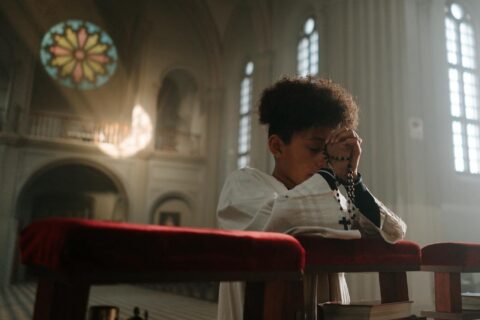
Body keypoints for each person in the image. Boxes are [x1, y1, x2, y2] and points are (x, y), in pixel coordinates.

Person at [216, 76, 407, 320]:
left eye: (330, 152)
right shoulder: (244, 184)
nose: (324, 161)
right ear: (276, 146)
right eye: (315, 148)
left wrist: (353, 180)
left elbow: (393, 230)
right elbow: (279, 219)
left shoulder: (333, 196)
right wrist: (330, 174)